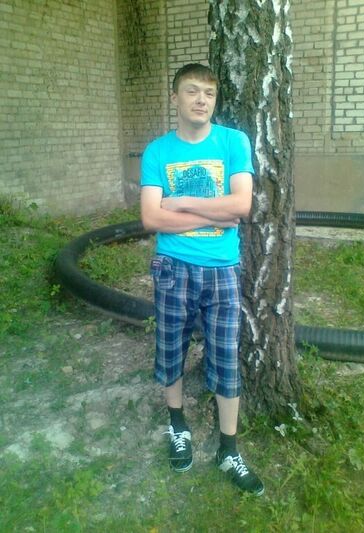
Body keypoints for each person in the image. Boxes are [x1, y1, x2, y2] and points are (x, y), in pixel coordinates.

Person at [140, 63, 264, 496]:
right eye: (192, 91)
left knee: (226, 357)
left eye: (208, 94)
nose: (201, 100)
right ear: (174, 97)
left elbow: (242, 207)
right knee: (170, 350)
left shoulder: (233, 142)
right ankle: (178, 426)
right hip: (172, 268)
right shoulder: (157, 152)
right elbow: (151, 217)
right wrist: (216, 213)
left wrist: (181, 203)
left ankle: (229, 450)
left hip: (222, 270)